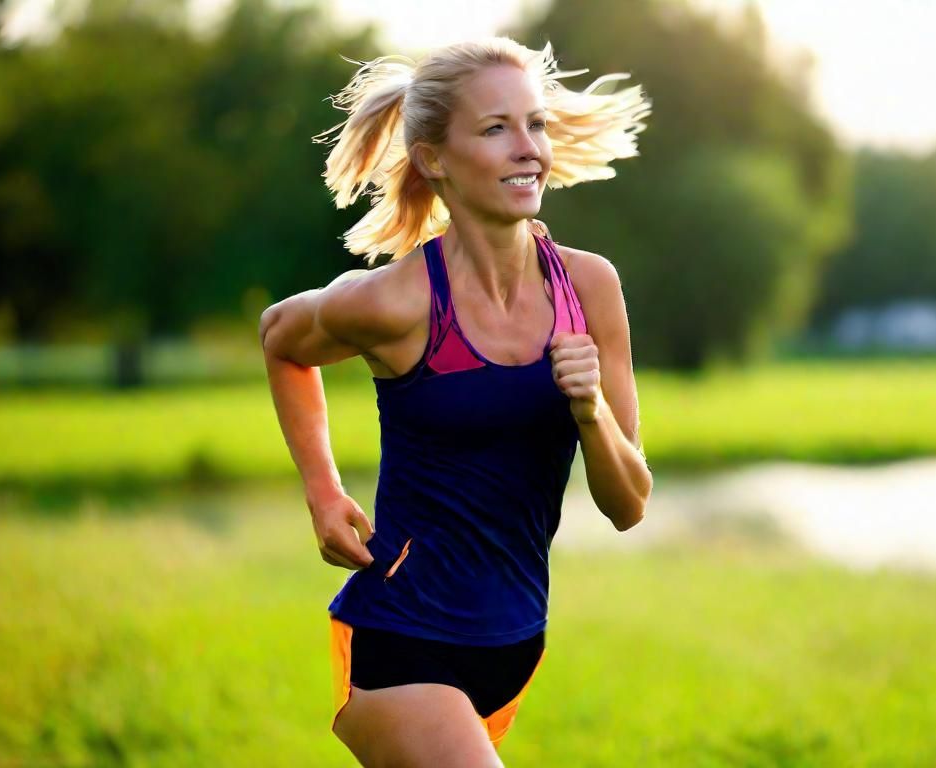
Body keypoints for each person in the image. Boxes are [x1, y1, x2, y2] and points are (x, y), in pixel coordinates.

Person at [258, 37, 654, 766]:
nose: (527, 147)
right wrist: (322, 492)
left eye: (535, 124)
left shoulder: (589, 289)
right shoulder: (396, 301)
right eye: (496, 128)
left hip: (511, 643)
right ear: (435, 158)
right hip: (402, 638)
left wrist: (590, 405)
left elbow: (628, 506)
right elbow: (280, 338)